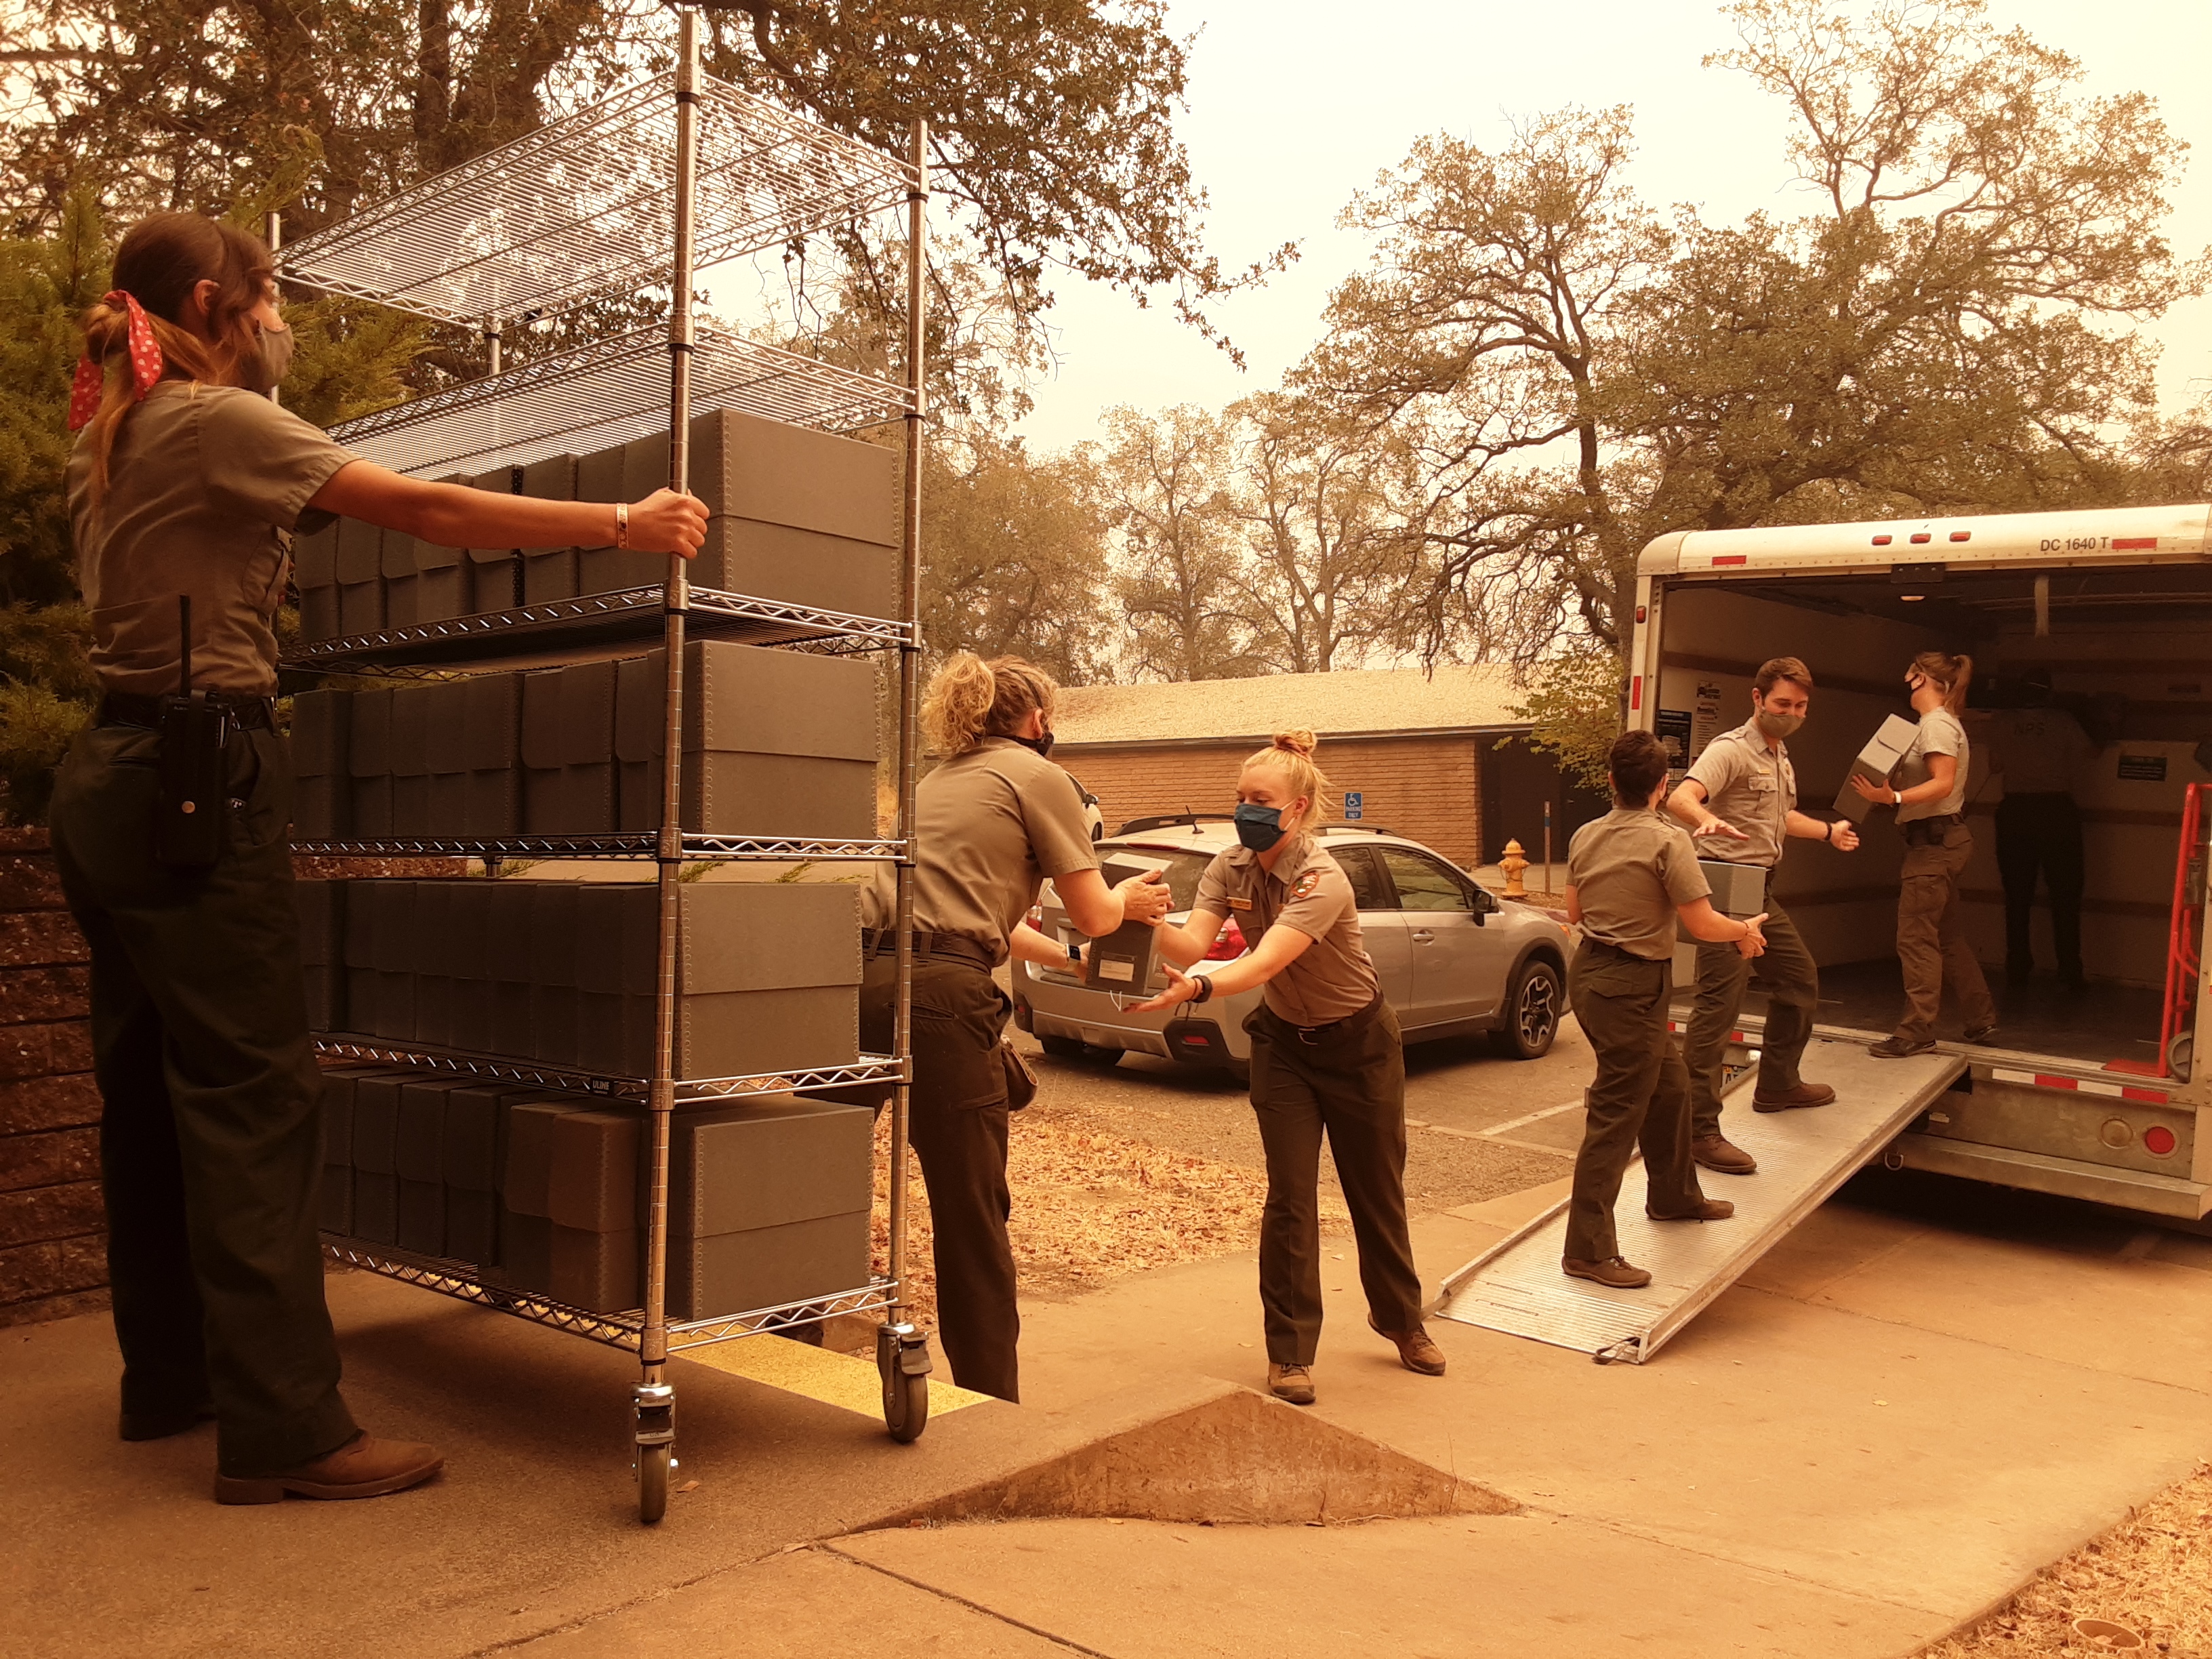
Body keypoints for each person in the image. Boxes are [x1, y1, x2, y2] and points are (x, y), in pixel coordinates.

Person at [55, 212, 708, 1504]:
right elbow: (418, 505)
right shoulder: (209, 419)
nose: (280, 319)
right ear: (209, 300)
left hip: (112, 778)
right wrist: (621, 523)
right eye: (270, 295)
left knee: (147, 1093)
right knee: (254, 1100)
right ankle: (290, 1431)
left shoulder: (111, 435)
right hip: (195, 783)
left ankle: (172, 1379)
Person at [855, 653, 1170, 1403]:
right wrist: (1130, 907)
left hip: (864, 983)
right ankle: (992, 1400)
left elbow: (972, 918)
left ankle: (786, 1348)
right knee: (971, 1211)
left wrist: (1063, 956)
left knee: (822, 1188)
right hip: (941, 999)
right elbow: (1097, 914)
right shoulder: (1039, 776)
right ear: (1035, 721)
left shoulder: (938, 782)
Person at [1128, 731, 1445, 1407]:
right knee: (1291, 1201)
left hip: (1360, 1046)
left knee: (1376, 1191)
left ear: (1296, 810)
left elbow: (1268, 960)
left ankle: (1401, 1320)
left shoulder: (1320, 877)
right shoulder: (1229, 867)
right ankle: (1290, 1353)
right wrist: (1149, 916)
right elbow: (1191, 942)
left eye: (1261, 800)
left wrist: (1202, 988)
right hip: (1286, 1048)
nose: (1247, 810)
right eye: (1241, 797)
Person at [1562, 731, 1765, 1288]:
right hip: (1632, 985)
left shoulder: (1585, 835)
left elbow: (1574, 909)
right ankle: (1587, 1250)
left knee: (1670, 1086)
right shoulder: (1668, 841)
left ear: (1610, 781)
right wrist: (1744, 931)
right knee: (1616, 1114)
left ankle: (1674, 1196)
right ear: (1663, 784)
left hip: (1593, 975)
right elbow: (1702, 926)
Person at [1666, 657, 1860, 1177]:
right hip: (1727, 889)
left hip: (1761, 892)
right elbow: (1681, 796)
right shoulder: (1730, 749)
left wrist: (1827, 832)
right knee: (1718, 1008)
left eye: (1799, 707)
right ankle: (1699, 1131)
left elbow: (1779, 817)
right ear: (1757, 699)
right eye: (1782, 705)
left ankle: (1776, 1084)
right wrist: (1706, 819)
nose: (1791, 714)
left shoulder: (1780, 755)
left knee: (1799, 979)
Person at [1849, 651, 1999, 1057]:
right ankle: (1980, 1018)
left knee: (1915, 938)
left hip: (1932, 848)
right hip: (1939, 842)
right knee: (1947, 937)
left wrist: (1892, 796)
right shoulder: (1937, 725)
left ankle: (1917, 1031)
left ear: (1921, 679)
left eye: (1910, 672)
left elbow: (1943, 784)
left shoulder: (1935, 726)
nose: (1904, 678)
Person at [1986, 668, 2093, 988]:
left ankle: (2017, 966)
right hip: (2057, 810)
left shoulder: (2001, 723)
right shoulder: (2064, 721)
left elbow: (1994, 766)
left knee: (2017, 895)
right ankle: (2070, 971)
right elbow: (2087, 755)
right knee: (2066, 895)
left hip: (2016, 810)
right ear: (2049, 694)